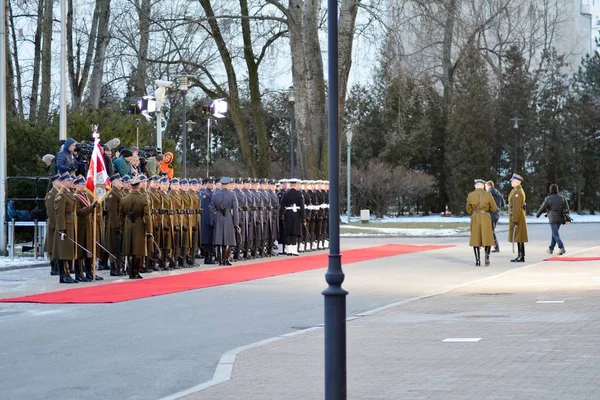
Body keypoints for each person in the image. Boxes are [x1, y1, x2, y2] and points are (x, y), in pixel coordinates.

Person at [119, 176, 152, 279]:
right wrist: (149, 230)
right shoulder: (143, 198)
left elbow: (121, 215)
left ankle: (130, 272)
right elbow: (147, 216)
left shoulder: (124, 199)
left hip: (128, 224)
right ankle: (136, 271)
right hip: (139, 224)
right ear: (138, 186)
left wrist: (122, 227)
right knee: (138, 249)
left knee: (129, 249)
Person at [466, 179, 497, 266]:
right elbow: (494, 208)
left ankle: (477, 260)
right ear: (483, 186)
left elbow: (468, 209)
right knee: (487, 238)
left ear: (475, 186)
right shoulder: (488, 194)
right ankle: (487, 257)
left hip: (475, 216)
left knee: (475, 239)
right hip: (485, 217)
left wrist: (474, 212)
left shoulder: (470, 195)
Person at [209, 177, 240, 265]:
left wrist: (212, 221)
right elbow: (235, 209)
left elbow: (211, 208)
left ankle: (220, 260)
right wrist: (236, 223)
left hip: (218, 217)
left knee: (219, 240)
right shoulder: (232, 194)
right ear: (228, 184)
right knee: (228, 240)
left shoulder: (215, 194)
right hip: (228, 217)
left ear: (221, 185)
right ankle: (226, 259)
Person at [536, 184, 570, 255]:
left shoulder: (548, 198)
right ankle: (551, 248)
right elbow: (567, 209)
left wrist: (538, 215)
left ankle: (561, 247)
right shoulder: (562, 198)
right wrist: (567, 219)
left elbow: (542, 208)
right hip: (560, 218)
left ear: (550, 190)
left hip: (552, 218)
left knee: (555, 233)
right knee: (554, 233)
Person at [279, 178, 306, 256]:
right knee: (295, 231)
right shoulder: (299, 194)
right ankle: (294, 250)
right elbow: (302, 207)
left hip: (288, 213)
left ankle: (289, 250)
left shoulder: (286, 194)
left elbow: (282, 206)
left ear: (290, 185)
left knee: (288, 232)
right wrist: (303, 217)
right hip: (296, 214)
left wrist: (281, 215)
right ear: (296, 184)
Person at [508, 173, 528, 262]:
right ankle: (520, 255)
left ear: (517, 182)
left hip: (518, 216)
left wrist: (515, 220)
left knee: (519, 237)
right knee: (519, 237)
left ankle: (521, 256)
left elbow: (516, 207)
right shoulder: (516, 190)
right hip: (518, 215)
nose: (511, 182)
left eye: (512, 181)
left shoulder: (517, 192)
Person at [485, 180, 504, 252]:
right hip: (497, 214)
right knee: (491, 230)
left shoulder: (488, 194)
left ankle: (494, 246)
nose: (485, 188)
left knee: (490, 231)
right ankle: (495, 246)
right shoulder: (498, 193)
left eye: (486, 186)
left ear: (489, 186)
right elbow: (503, 204)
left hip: (490, 214)